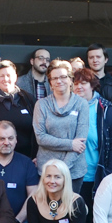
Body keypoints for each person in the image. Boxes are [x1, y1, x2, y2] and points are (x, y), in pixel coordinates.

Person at [34, 60, 90, 192]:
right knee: (50, 210)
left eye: (63, 77)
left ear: (71, 80)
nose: (59, 81)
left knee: (71, 210)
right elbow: (41, 138)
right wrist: (70, 144)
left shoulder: (81, 104)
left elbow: (80, 142)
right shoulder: (41, 105)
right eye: (55, 78)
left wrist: (61, 169)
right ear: (50, 83)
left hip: (74, 170)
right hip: (47, 171)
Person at [71, 69, 112, 205]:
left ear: (92, 85)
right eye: (75, 83)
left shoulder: (105, 108)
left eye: (83, 83)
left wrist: (111, 171)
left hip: (97, 174)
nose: (79, 87)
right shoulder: (66, 107)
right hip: (70, 173)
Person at [0, 60, 37, 159]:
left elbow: (38, 130)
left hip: (27, 158)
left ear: (16, 77)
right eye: (2, 76)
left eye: (9, 75)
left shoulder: (29, 100)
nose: (5, 79)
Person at [87, 43, 112, 112]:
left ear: (106, 59)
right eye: (91, 57)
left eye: (98, 57)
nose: (95, 60)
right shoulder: (84, 83)